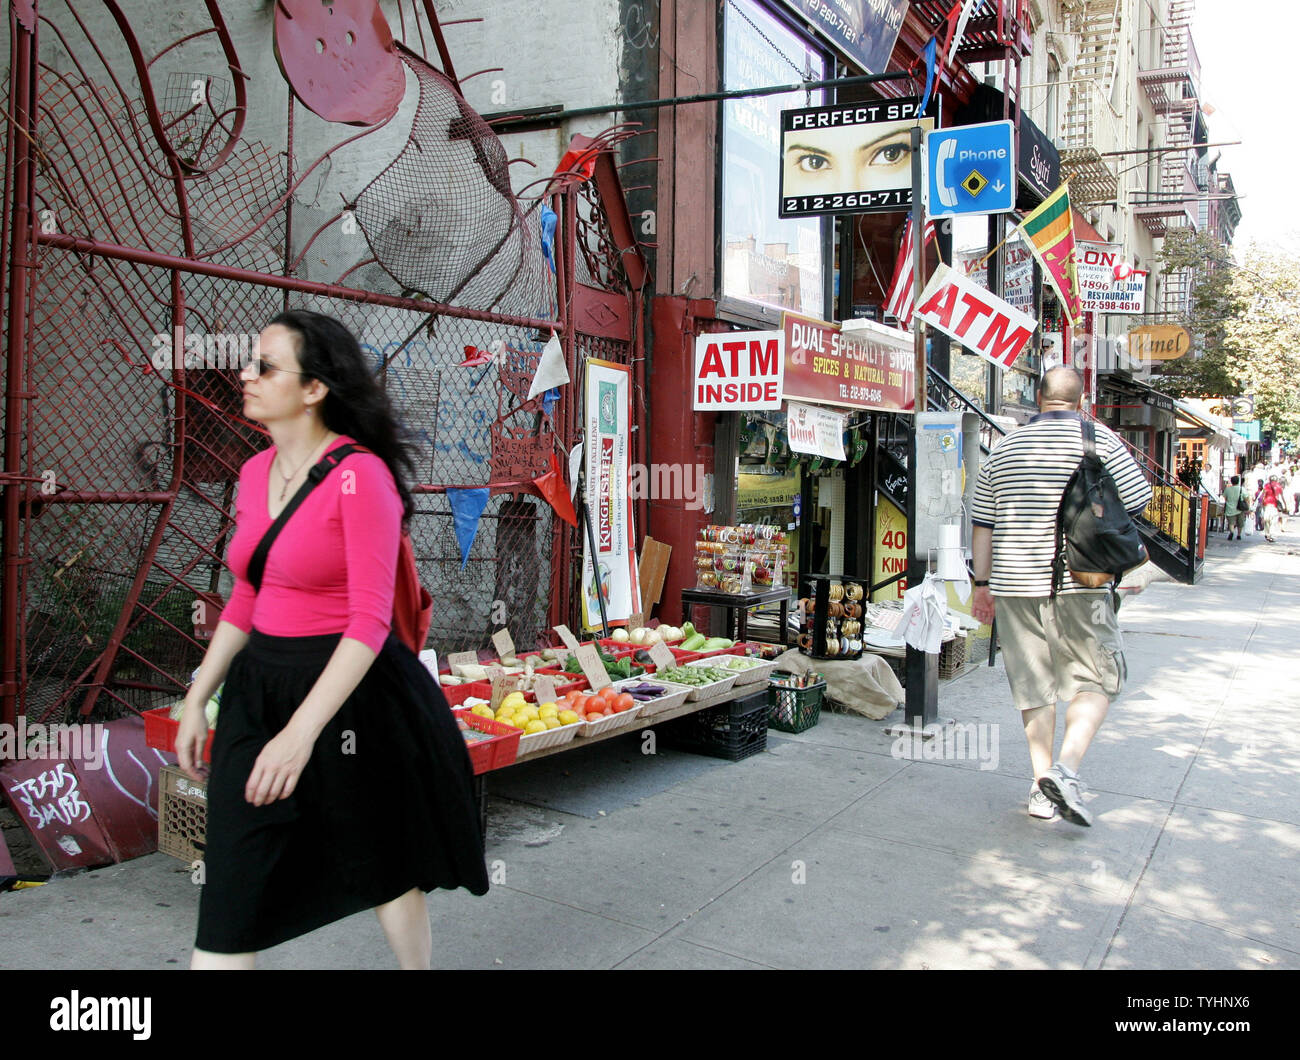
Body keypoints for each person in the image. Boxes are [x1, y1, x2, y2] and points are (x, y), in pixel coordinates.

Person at [175, 310, 489, 969]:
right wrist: (197, 694)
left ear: (314, 388)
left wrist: (302, 734)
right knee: (230, 883)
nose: (246, 375)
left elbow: (370, 620)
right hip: (259, 689)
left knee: (379, 861)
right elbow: (247, 594)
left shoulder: (361, 476)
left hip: (350, 695)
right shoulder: (254, 474)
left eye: (265, 366)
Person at [970, 366, 1152, 827]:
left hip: (1013, 587)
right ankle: (1065, 771)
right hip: (1082, 583)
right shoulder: (1101, 441)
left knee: (1035, 688)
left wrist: (981, 587)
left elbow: (983, 524)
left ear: (1038, 396)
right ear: (1081, 398)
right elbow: (1138, 498)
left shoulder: (1004, 447)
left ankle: (1040, 789)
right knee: (1097, 680)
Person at [1260, 474, 1287, 542]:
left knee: (1267, 519)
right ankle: (1271, 534)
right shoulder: (1278, 486)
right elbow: (1282, 496)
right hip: (1274, 505)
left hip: (1266, 504)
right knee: (1273, 520)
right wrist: (1285, 505)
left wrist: (1261, 503)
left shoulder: (1266, 485)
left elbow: (1264, 495)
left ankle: (1267, 533)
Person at [1222, 475, 1250, 541]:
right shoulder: (1242, 489)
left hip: (1230, 507)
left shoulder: (1227, 489)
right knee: (1240, 522)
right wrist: (1248, 507)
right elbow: (1246, 498)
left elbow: (1224, 497)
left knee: (1231, 522)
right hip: (1240, 508)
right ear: (1238, 481)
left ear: (1231, 482)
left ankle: (1231, 531)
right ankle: (1239, 535)